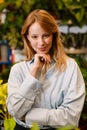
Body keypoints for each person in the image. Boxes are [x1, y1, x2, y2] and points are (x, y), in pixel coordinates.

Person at [6, 9, 85, 130]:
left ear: (54, 35)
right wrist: (34, 72)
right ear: (27, 38)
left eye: (46, 35)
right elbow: (15, 111)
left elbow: (71, 117)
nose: (41, 42)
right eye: (34, 37)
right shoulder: (18, 70)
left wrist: (28, 116)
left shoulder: (70, 67)